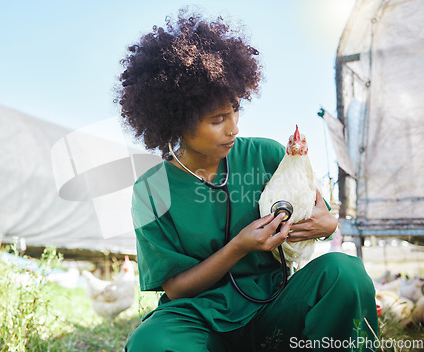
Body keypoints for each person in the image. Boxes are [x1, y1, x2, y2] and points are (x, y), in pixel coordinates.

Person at [116, 10, 378, 352]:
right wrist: (239, 246)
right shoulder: (152, 190)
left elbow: (322, 217)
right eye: (217, 120)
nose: (234, 128)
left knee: (345, 273)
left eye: (235, 110)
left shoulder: (267, 155)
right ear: (176, 121)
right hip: (197, 316)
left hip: (275, 303)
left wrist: (326, 224)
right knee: (153, 343)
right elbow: (177, 288)